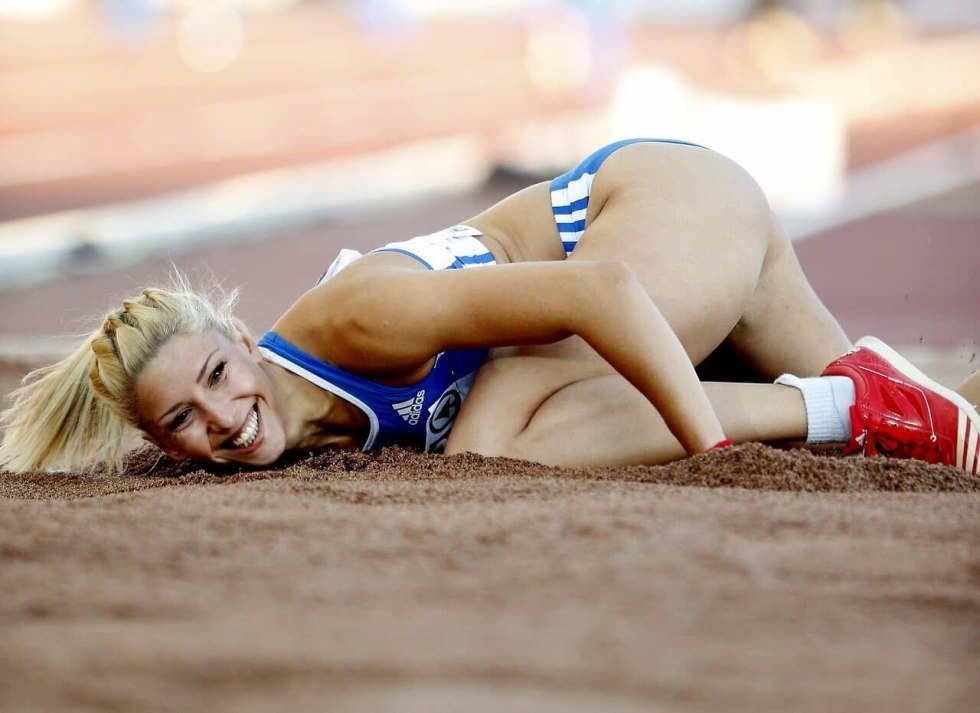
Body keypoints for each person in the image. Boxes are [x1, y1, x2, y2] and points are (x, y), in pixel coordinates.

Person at [1, 138, 977, 475]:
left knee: (491, 435)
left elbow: (597, 289)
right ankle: (883, 390)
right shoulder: (287, 425)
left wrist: (711, 457)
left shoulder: (351, 325)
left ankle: (848, 404)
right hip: (677, 250)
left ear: (244, 340)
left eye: (215, 377)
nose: (219, 418)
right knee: (951, 445)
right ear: (162, 445)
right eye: (181, 418)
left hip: (651, 213)